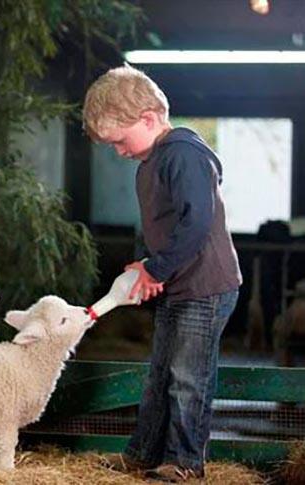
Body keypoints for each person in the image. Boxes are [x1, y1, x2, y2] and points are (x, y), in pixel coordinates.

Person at [82, 65, 242, 482]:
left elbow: (197, 223)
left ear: (149, 119)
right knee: (159, 375)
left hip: (204, 286)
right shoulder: (150, 163)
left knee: (187, 378)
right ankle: (142, 454)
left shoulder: (184, 154)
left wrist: (156, 268)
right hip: (176, 284)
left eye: (119, 140)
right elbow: (154, 224)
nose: (118, 151)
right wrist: (143, 264)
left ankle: (186, 462)